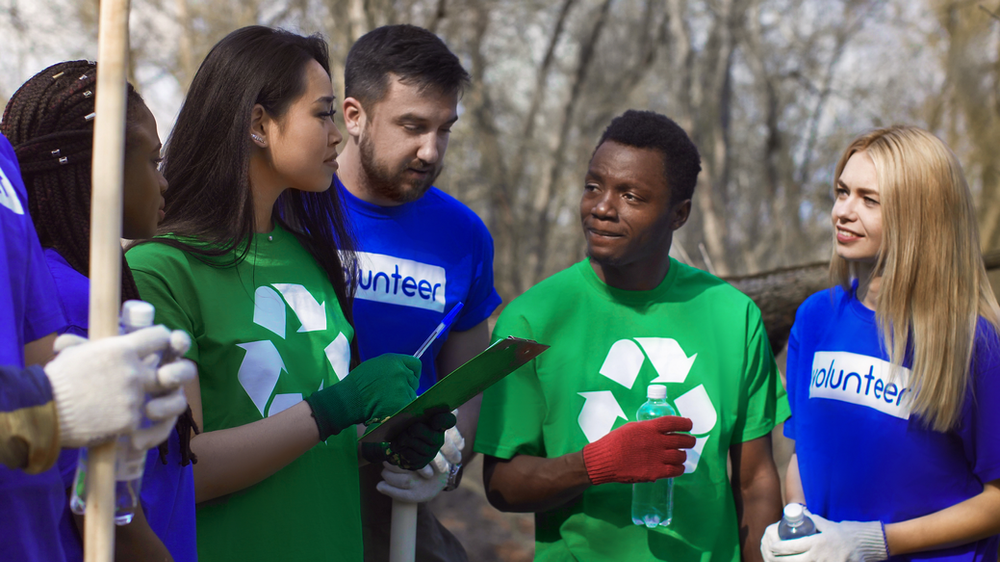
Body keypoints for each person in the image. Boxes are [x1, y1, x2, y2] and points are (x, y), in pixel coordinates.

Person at [125, 26, 453, 562]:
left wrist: (384, 440)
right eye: (322, 114)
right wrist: (337, 406)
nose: (337, 135)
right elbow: (180, 472)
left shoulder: (312, 256)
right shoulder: (160, 270)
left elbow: (320, 441)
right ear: (259, 124)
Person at [475, 109, 789, 562]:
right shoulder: (532, 320)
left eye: (631, 196)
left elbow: (755, 481)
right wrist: (597, 465)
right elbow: (503, 484)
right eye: (593, 186)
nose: (602, 207)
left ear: (678, 214)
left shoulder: (733, 315)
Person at [761, 126, 1000, 562]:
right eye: (842, 192)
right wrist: (798, 527)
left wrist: (872, 542)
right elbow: (803, 452)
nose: (843, 212)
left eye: (869, 200)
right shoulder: (815, 318)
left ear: (921, 216)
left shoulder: (973, 342)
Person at [2, 59, 200, 561]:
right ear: (101, 170)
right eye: (152, 161)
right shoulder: (75, 303)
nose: (164, 182)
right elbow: (104, 512)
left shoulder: (75, 283)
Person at [335, 24, 501, 561]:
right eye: (412, 126)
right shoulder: (295, 208)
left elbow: (467, 383)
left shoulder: (464, 235)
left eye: (444, 129)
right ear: (354, 115)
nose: (430, 151)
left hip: (396, 512)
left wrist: (447, 461)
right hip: (287, 488)